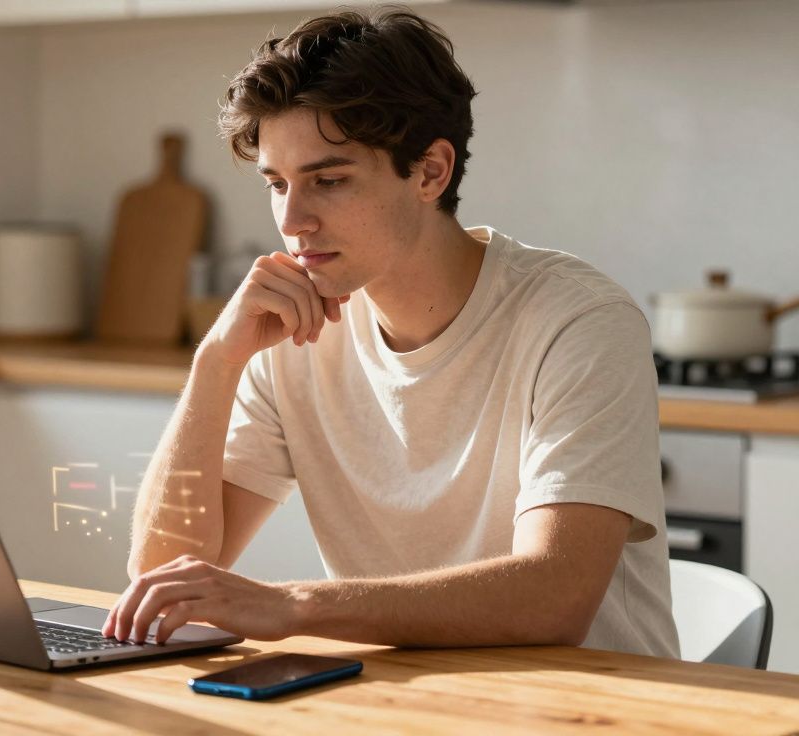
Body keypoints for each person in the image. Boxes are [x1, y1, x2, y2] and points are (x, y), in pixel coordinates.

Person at [101, 6, 679, 659]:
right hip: (400, 705)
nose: (293, 220)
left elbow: (555, 597)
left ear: (431, 171)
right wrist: (215, 361)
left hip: (596, 710)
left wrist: (291, 606)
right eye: (277, 184)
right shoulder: (293, 331)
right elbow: (163, 577)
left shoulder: (577, 322)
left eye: (328, 180)